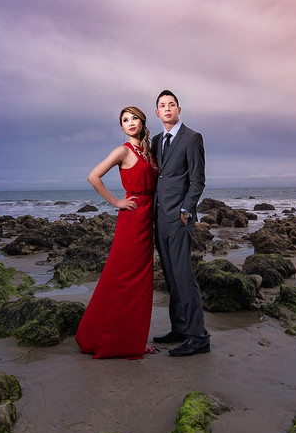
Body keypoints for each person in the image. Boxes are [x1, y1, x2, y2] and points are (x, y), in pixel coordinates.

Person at [74, 106, 158, 359]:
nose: (130, 123)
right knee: (123, 278)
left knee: (141, 281)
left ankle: (133, 339)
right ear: (121, 127)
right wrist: (116, 202)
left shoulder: (149, 153)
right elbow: (93, 176)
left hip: (147, 217)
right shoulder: (123, 151)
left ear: (143, 122)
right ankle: (108, 338)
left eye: (134, 119)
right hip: (131, 218)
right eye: (125, 120)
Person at [151, 89, 210, 357]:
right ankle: (180, 328)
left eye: (171, 104)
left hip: (180, 218)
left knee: (184, 276)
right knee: (171, 277)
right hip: (160, 218)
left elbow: (198, 180)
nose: (167, 109)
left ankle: (199, 337)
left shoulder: (192, 138)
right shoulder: (155, 141)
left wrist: (187, 209)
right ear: (157, 112)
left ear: (179, 109)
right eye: (162, 105)